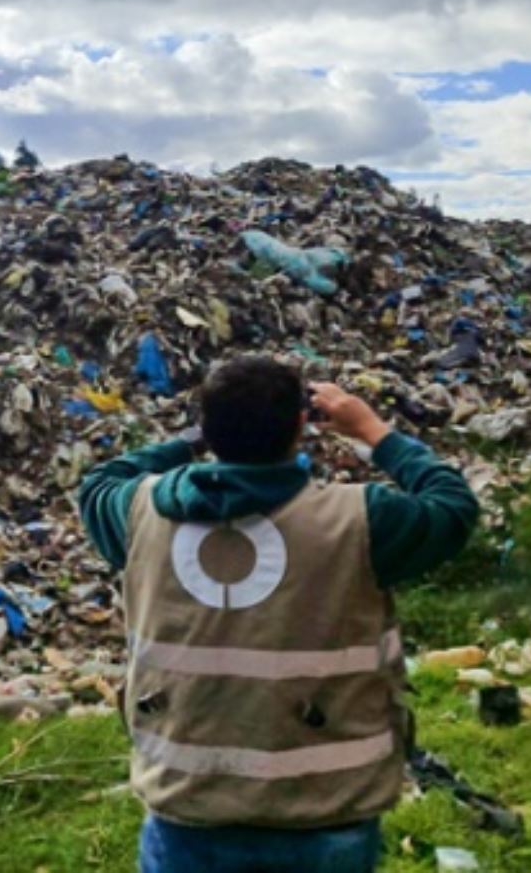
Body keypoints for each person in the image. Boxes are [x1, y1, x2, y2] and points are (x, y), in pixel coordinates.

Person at [79, 354, 479, 872]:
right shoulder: (362, 520)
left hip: (187, 802)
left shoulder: (138, 511)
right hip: (323, 807)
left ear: (211, 427)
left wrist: (196, 438)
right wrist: (374, 430)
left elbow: (98, 480)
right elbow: (453, 505)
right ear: (301, 425)